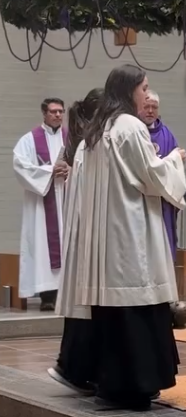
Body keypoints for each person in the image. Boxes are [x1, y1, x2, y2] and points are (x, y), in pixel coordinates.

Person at [76, 65, 186, 410]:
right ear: (128, 91)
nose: (146, 95)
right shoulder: (130, 126)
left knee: (113, 314)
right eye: (144, 88)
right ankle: (137, 385)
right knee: (138, 306)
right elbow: (152, 176)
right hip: (131, 231)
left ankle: (112, 385)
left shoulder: (99, 129)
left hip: (106, 235)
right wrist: (174, 160)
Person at [49, 88, 104, 394]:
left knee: (83, 305)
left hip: (82, 227)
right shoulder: (87, 142)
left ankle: (73, 365)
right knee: (86, 305)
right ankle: (73, 366)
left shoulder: (80, 140)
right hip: (89, 227)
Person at [13, 97, 68, 311]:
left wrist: (70, 171)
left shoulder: (71, 138)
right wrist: (49, 171)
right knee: (43, 247)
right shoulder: (29, 140)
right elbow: (20, 166)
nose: (58, 115)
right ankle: (47, 296)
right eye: (53, 111)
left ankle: (66, 294)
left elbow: (84, 164)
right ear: (44, 113)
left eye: (61, 111)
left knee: (67, 244)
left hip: (66, 200)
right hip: (41, 204)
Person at [140, 91, 186, 260]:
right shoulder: (134, 132)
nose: (150, 111)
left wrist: (179, 162)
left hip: (163, 202)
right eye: (146, 106)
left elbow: (176, 169)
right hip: (141, 200)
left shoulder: (167, 135)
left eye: (154, 107)